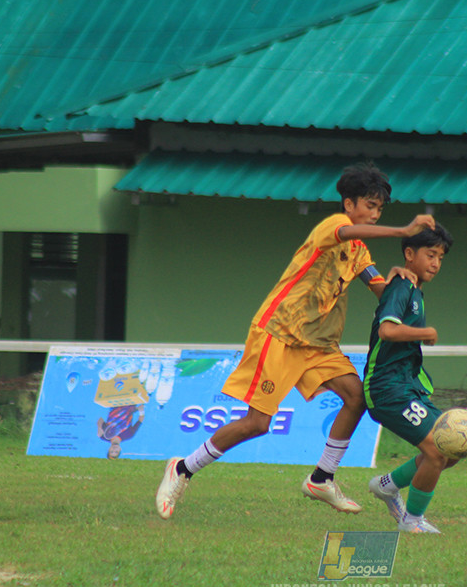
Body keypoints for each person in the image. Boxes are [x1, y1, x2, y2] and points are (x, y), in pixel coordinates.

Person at [155, 162, 434, 519]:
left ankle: (322, 478)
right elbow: (348, 231)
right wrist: (404, 231)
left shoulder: (359, 252)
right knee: (257, 423)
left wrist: (401, 281)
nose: (375, 214)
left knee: (356, 396)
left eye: (379, 208)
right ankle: (182, 468)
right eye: (369, 205)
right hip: (280, 334)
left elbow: (381, 291)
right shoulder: (333, 226)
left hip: (318, 345)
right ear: (349, 204)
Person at [364, 224, 455, 534]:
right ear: (409, 254)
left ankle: (387, 486)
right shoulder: (402, 286)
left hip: (407, 385)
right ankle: (412, 520)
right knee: (437, 450)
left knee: (451, 448)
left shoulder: (414, 289)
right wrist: (424, 333)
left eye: (440, 257)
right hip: (386, 388)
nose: (436, 263)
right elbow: (387, 330)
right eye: (431, 255)